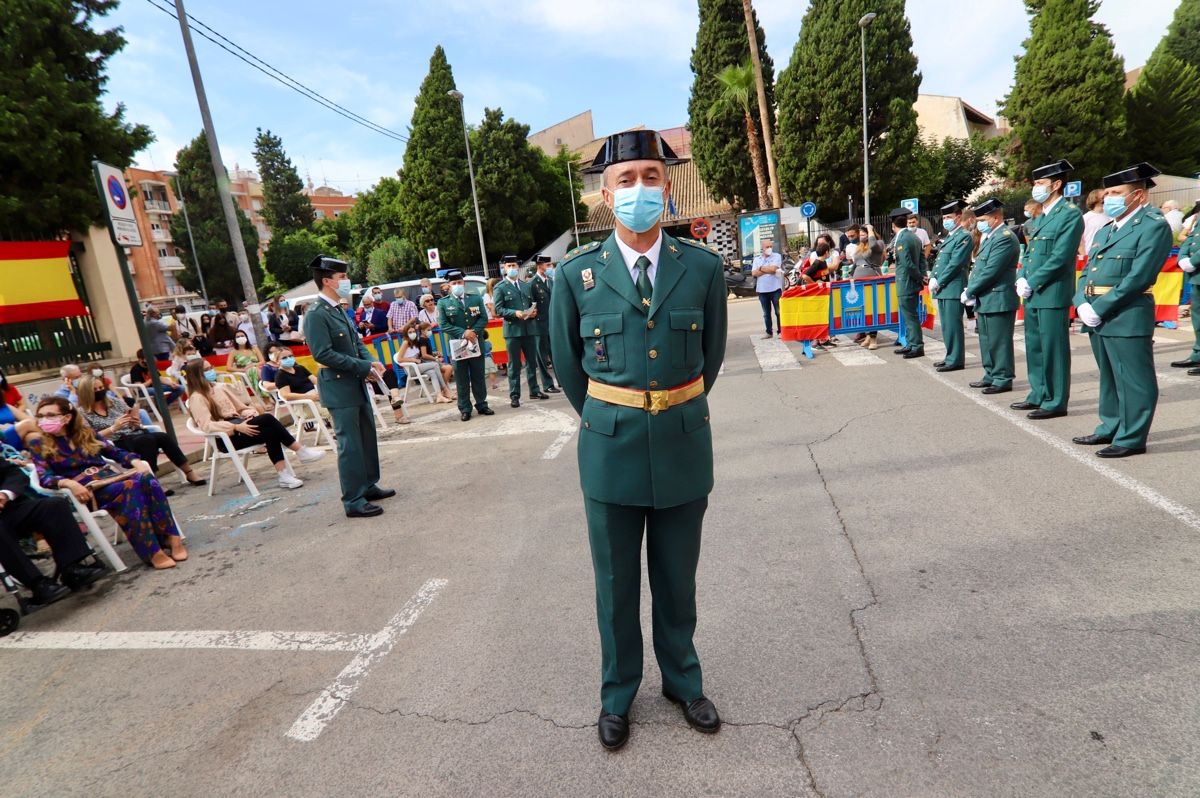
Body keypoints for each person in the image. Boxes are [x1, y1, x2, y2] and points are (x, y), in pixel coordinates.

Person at [549, 129, 728, 751]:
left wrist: (670, 408)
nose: (640, 190)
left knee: (678, 580)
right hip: (610, 448)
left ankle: (682, 680)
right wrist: (612, 414)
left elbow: (710, 361)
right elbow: (569, 367)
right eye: (626, 180)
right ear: (606, 193)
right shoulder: (575, 274)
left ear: (668, 187)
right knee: (616, 584)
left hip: (682, 443)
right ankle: (618, 693)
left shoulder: (701, 267)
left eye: (651, 177)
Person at [1072, 162, 1173, 457]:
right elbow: (1087, 271)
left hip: (1126, 314)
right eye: (1107, 193)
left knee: (1134, 379)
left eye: (1116, 193)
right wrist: (1081, 302)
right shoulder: (1106, 230)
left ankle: (1131, 438)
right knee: (1109, 376)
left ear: (1139, 196)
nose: (1109, 199)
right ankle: (1110, 426)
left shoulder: (1153, 226)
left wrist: (1100, 306)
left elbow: (1139, 276)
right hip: (1097, 315)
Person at [28, 397, 187, 570]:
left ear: (67, 417)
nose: (44, 419)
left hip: (109, 479)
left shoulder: (86, 433)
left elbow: (115, 452)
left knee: (146, 478)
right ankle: (153, 552)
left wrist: (136, 462)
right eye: (40, 415)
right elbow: (44, 477)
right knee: (130, 487)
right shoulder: (38, 443)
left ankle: (172, 538)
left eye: (50, 415)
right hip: (86, 492)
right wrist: (68, 483)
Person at [303, 256, 395, 518]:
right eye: (341, 277)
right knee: (350, 445)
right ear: (327, 281)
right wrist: (362, 367)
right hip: (339, 387)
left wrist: (371, 363)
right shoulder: (316, 314)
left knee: (366, 437)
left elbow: (357, 343)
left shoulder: (338, 310)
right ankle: (353, 500)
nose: (346, 281)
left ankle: (368, 485)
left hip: (356, 383)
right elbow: (323, 354)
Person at [1012, 159, 1084, 420]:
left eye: (1040, 183)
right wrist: (1021, 277)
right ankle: (1038, 393)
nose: (1036, 187)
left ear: (1056, 184)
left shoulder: (1069, 214)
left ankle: (1055, 400)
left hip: (1051, 291)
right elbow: (1029, 253)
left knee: (1053, 348)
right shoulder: (1042, 215)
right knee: (1035, 345)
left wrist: (1033, 281)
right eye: (1035, 183)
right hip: (1033, 292)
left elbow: (1061, 256)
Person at [184, 359, 325, 489]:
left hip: (241, 426)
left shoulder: (218, 388)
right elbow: (207, 426)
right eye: (207, 369)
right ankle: (300, 451)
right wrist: (235, 427)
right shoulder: (197, 398)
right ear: (198, 375)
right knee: (267, 419)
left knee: (270, 432)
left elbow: (242, 408)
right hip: (226, 438)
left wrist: (248, 414)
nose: (212, 371)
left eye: (212, 367)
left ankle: (284, 475)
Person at [0, 457, 106, 606]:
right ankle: (38, 585)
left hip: (8, 509)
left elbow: (14, 473)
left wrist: (4, 494)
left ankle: (71, 568)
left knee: (54, 505)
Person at [77, 375, 205, 486]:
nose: (100, 391)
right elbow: (90, 437)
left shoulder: (113, 402)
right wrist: (113, 428)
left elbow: (130, 415)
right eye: (95, 390)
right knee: (146, 440)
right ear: (87, 393)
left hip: (134, 433)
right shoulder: (82, 413)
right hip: (115, 442)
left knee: (163, 436)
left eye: (101, 388)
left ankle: (189, 472)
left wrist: (135, 422)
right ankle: (151, 479)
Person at [962, 198, 1020, 394]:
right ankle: (991, 374)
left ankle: (1003, 377)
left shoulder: (1004, 237)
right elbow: (980, 269)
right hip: (986, 296)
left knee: (999, 340)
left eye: (983, 219)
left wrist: (970, 291)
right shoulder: (991, 237)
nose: (979, 223)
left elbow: (991, 271)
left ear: (996, 218)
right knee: (986, 339)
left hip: (999, 297)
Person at [438, 269, 495, 422]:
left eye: (460, 282)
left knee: (478, 376)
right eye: (454, 283)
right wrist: (463, 333)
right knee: (462, 379)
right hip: (458, 346)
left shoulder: (475, 299)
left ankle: (482, 404)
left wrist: (473, 332)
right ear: (449, 286)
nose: (457, 285)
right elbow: (443, 324)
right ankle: (465, 408)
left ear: (464, 283)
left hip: (476, 343)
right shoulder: (443, 303)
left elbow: (483, 318)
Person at [493, 255, 547, 407]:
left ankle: (534, 390)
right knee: (514, 364)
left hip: (528, 329)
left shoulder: (525, 285)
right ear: (504, 268)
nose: (512, 269)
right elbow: (498, 309)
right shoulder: (500, 287)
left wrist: (533, 312)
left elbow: (531, 304)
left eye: (514, 266)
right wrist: (514, 313)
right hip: (513, 331)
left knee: (531, 362)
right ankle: (514, 395)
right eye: (509, 266)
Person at [928, 200, 973, 372]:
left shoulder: (963, 236)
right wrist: (933, 276)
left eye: (949, 216)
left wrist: (939, 280)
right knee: (946, 325)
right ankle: (950, 356)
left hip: (953, 286)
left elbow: (955, 263)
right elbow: (940, 262)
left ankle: (956, 359)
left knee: (953, 325)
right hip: (944, 288)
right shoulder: (951, 236)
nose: (946, 220)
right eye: (944, 217)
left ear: (958, 217)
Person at [890, 208, 926, 358]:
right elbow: (922, 259)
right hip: (911, 281)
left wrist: (919, 277)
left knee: (910, 316)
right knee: (909, 315)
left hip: (906, 282)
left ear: (893, 225)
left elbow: (907, 263)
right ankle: (911, 344)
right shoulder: (914, 237)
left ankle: (917, 346)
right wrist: (923, 275)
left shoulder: (903, 238)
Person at [394, 327, 455, 403]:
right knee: (435, 365)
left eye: (413, 331)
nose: (412, 333)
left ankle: (439, 396)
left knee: (432, 372)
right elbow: (399, 359)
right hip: (411, 369)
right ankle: (445, 390)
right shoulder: (406, 342)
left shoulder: (415, 342)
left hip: (419, 366)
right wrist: (413, 360)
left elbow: (420, 356)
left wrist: (434, 354)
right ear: (406, 334)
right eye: (410, 332)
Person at [529, 255, 561, 392]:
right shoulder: (532, 283)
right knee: (542, 356)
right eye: (547, 265)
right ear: (539, 266)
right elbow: (531, 304)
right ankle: (547, 384)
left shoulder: (551, 281)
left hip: (552, 324)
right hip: (539, 325)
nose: (550, 267)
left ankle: (562, 380)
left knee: (557, 354)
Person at [1172, 217, 1200, 372]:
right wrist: (1182, 258)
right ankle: (1198, 355)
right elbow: (1190, 238)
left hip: (1197, 267)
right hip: (1197, 276)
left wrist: (1194, 261)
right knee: (1198, 319)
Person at [752, 239, 783, 338]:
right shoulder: (757, 259)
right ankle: (769, 332)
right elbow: (754, 273)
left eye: (771, 246)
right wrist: (767, 269)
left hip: (775, 289)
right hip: (762, 290)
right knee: (766, 313)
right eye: (767, 247)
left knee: (778, 312)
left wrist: (760, 268)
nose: (769, 249)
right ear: (762, 248)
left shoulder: (777, 256)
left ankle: (781, 332)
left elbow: (774, 269)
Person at [1079, 189, 1108, 258]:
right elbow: (1079, 240)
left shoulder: (1112, 217)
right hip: (1091, 256)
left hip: (1107, 256)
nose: (1108, 196)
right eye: (1104, 195)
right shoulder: (1085, 218)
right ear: (1095, 198)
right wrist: (1085, 256)